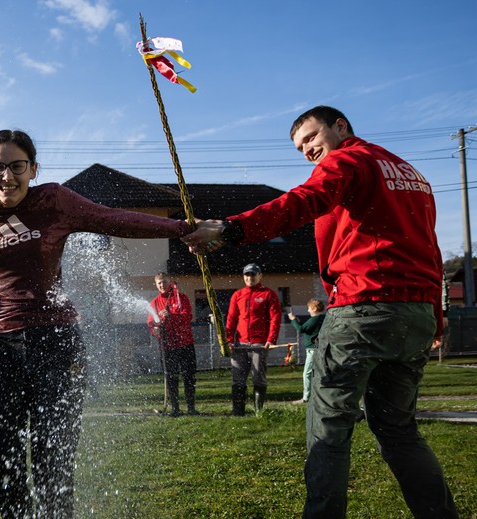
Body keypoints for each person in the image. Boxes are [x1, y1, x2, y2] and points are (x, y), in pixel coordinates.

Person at [0, 129, 192, 518]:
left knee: (52, 461)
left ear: (33, 169)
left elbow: (113, 219)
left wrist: (183, 230)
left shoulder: (53, 201)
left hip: (56, 341)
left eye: (17, 167)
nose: (7, 177)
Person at [182, 106, 457, 517]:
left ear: (340, 126)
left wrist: (231, 229)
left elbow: (304, 200)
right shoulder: (410, 173)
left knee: (328, 430)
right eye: (300, 148)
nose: (308, 150)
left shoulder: (346, 160)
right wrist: (434, 313)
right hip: (413, 313)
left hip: (364, 307)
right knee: (399, 430)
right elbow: (430, 247)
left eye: (311, 137)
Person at [225, 263, 281, 415]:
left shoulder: (268, 294)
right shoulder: (237, 295)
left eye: (253, 275)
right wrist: (229, 339)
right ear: (243, 277)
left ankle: (258, 412)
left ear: (260, 276)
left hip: (259, 344)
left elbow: (275, 318)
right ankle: (238, 411)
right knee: (238, 379)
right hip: (239, 345)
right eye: (247, 275)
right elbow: (231, 319)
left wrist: (271, 339)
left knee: (258, 378)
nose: (250, 278)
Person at [146, 271, 198, 416]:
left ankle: (191, 407)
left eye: (164, 282)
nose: (162, 285)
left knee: (189, 376)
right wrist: (155, 330)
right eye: (159, 283)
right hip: (167, 346)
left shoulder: (181, 298)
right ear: (156, 285)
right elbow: (151, 324)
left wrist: (171, 316)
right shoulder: (154, 303)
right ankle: (175, 408)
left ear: (169, 282)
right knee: (171, 378)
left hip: (185, 343)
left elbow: (187, 316)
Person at [288, 299, 326, 404]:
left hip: (312, 350)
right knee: (320, 373)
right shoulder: (322, 318)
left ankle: (306, 397)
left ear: (314, 309)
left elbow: (300, 329)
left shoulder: (314, 319)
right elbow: (307, 328)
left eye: (309, 308)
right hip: (320, 348)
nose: (308, 310)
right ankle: (320, 396)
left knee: (307, 374)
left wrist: (293, 319)